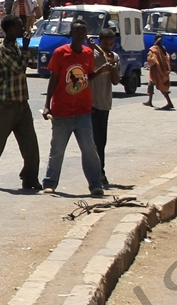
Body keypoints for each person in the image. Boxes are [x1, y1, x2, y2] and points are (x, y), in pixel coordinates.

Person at [0, 17, 41, 191]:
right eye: (18, 26)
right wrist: (27, 48)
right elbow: (19, 68)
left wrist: (25, 49)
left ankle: (30, 177)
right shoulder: (4, 50)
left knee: (30, 143)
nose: (21, 29)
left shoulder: (15, 46)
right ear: (10, 29)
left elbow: (27, 65)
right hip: (7, 104)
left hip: (21, 103)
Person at [41, 17, 104, 196]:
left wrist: (100, 72)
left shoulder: (87, 53)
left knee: (89, 149)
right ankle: (50, 182)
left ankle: (95, 183)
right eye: (76, 32)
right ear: (71, 34)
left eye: (82, 33)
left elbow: (87, 77)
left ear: (86, 35)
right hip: (62, 112)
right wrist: (47, 105)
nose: (79, 35)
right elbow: (53, 80)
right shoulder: (60, 53)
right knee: (57, 150)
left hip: (83, 111)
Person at [90, 26, 124, 186]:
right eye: (105, 44)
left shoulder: (114, 57)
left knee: (101, 142)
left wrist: (112, 67)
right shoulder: (92, 54)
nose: (108, 47)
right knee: (93, 141)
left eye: (111, 44)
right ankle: (98, 174)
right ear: (99, 41)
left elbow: (116, 81)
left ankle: (99, 171)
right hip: (91, 104)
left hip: (105, 104)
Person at [144, 32, 175, 111]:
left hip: (157, 69)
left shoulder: (154, 49)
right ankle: (150, 101)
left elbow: (152, 60)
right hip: (161, 69)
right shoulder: (163, 48)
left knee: (161, 86)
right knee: (151, 83)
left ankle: (169, 102)